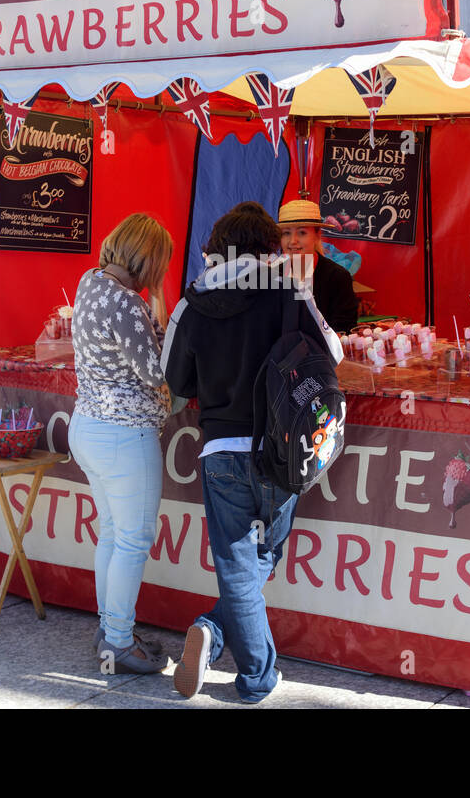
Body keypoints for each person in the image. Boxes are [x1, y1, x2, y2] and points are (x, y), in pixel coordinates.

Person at [161, 206, 343, 702]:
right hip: (281, 450)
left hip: (220, 451)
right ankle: (255, 675)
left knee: (240, 563)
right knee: (263, 557)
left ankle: (213, 632)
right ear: (268, 247)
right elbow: (333, 353)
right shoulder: (289, 290)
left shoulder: (191, 303)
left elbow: (174, 379)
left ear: (216, 248)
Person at [68, 212, 173, 675]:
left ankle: (110, 629)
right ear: (149, 259)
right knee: (132, 540)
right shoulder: (128, 303)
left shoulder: (90, 282)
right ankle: (118, 641)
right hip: (124, 434)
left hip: (88, 425)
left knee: (112, 533)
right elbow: (156, 373)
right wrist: (164, 316)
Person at [277, 198, 360, 333]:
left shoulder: (337, 277)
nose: (293, 241)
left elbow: (344, 329)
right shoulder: (273, 276)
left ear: (317, 235)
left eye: (302, 233)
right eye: (286, 233)